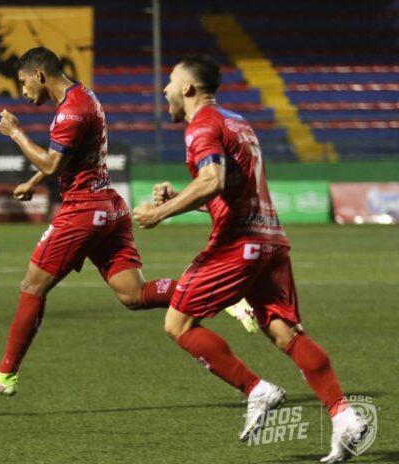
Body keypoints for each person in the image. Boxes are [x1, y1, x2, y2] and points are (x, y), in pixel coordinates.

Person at [0, 47, 256, 398]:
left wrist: (16, 133)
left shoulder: (71, 110)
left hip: (84, 210)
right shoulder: (82, 98)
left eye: (24, 82)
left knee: (32, 286)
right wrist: (35, 181)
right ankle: (220, 297)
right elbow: (70, 158)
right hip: (108, 206)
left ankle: (6, 373)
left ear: (39, 75)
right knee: (134, 295)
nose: (23, 91)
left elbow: (54, 163)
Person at [132, 55, 368, 463]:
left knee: (177, 323)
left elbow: (212, 180)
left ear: (188, 88)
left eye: (170, 81)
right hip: (270, 239)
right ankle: (343, 416)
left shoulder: (201, 125)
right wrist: (182, 199)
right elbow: (230, 191)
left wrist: (160, 213)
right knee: (284, 332)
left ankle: (257, 390)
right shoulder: (237, 122)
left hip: (238, 244)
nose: (164, 89)